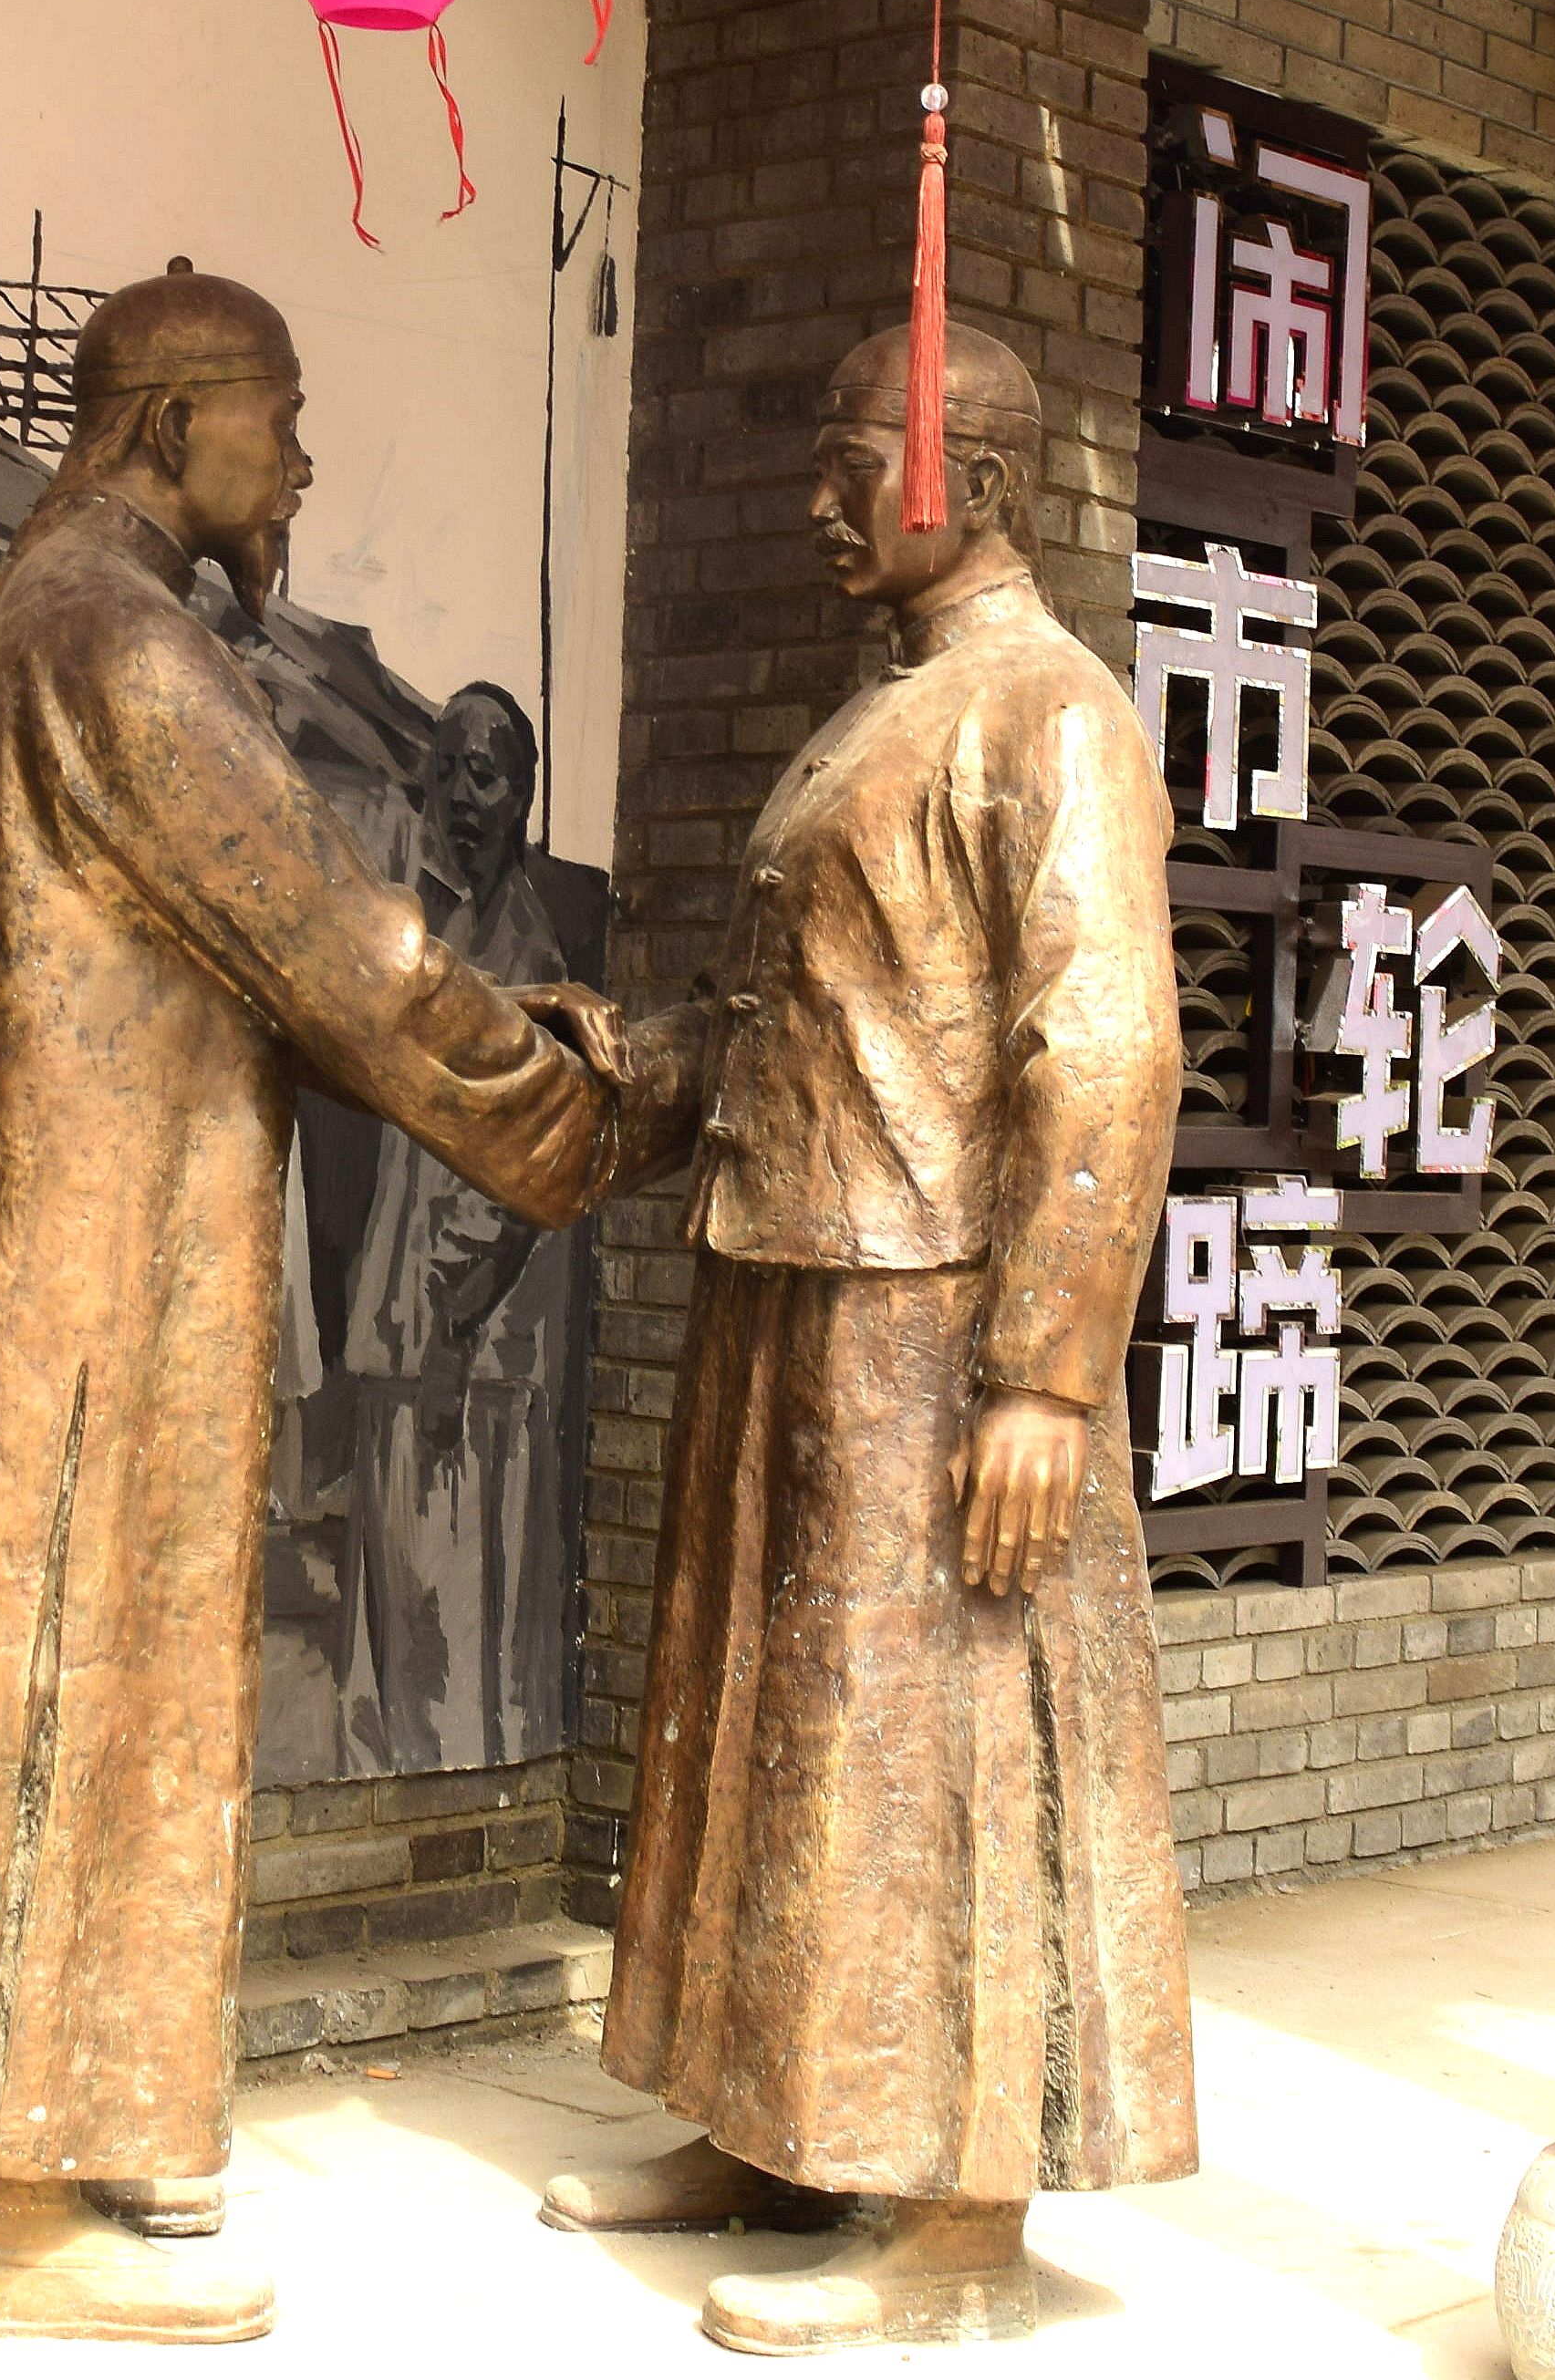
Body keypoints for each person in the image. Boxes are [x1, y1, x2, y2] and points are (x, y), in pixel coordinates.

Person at [0, 264, 616, 2344]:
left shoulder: (67, 607)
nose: (301, 461)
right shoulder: (118, 641)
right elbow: (336, 945)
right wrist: (577, 1104)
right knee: (58, 1671)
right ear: (172, 422)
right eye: (280, 417)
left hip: (101, 1240)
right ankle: (3, 2204)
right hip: (88, 1264)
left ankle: (88, 2106)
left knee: (116, 1672)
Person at [538, 318, 1203, 2355]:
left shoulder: (1050, 709)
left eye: (856, 464)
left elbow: (1105, 1047)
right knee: (773, 1723)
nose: (818, 500)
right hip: (789, 1269)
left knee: (932, 1744)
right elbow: (797, 1018)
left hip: (926, 1316)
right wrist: (613, 1072)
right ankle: (778, 2119)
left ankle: (948, 2222)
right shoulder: (883, 707)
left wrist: (1045, 1372)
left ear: (976, 484)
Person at [335, 684, 598, 1774]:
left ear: (523, 792)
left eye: (482, 773)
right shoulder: (431, 932)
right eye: (443, 771)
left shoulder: (529, 950)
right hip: (401, 1338)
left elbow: (530, 1175)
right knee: (391, 1634)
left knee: (458, 1639)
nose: (458, 796)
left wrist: (452, 1332)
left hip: (474, 1363)